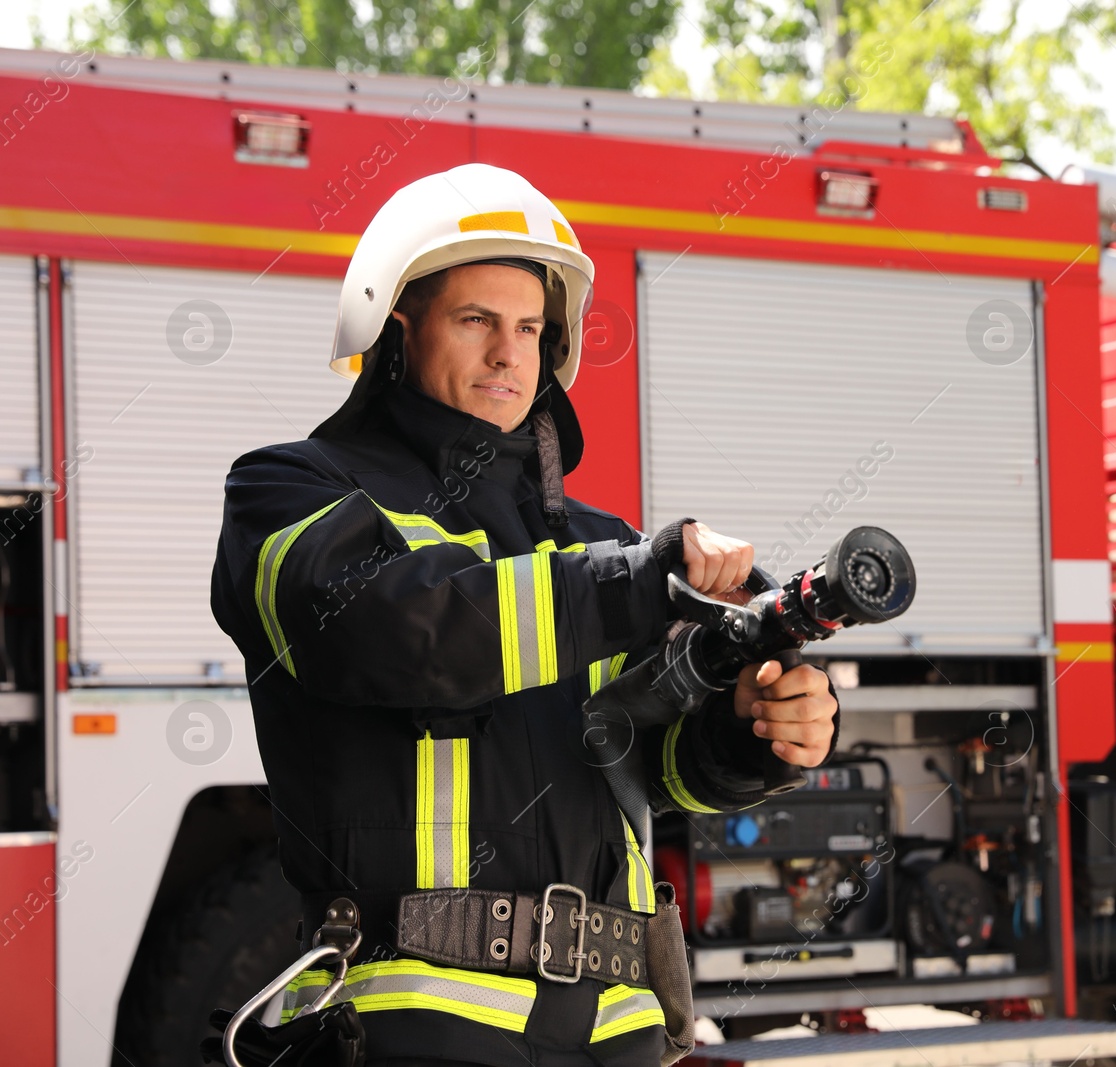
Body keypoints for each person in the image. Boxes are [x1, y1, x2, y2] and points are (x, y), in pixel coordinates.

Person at [210, 163, 840, 1067]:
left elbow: (636, 767)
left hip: (617, 1035)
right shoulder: (289, 491)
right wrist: (637, 582)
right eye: (477, 320)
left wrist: (750, 736)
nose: (512, 354)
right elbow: (399, 632)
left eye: (532, 328)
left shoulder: (599, 544)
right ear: (396, 331)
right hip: (415, 1033)